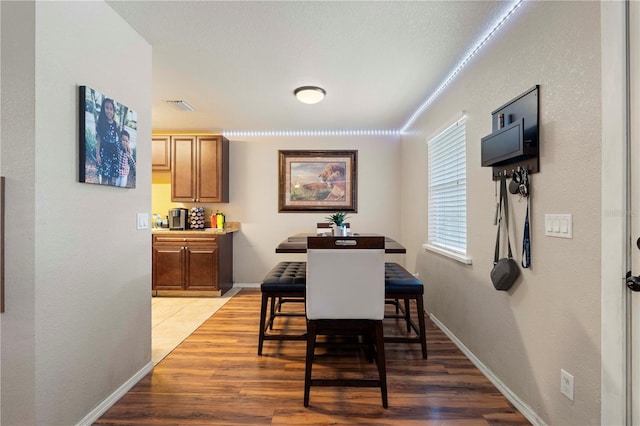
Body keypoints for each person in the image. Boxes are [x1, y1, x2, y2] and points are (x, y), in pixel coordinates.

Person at [95, 97, 119, 185]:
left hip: (113, 154)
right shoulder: (102, 123)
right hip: (104, 153)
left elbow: (116, 139)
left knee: (111, 177)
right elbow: (98, 141)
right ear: (103, 109)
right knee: (105, 176)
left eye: (111, 109)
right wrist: (98, 155)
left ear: (114, 111)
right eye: (106, 108)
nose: (109, 111)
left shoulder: (116, 124)